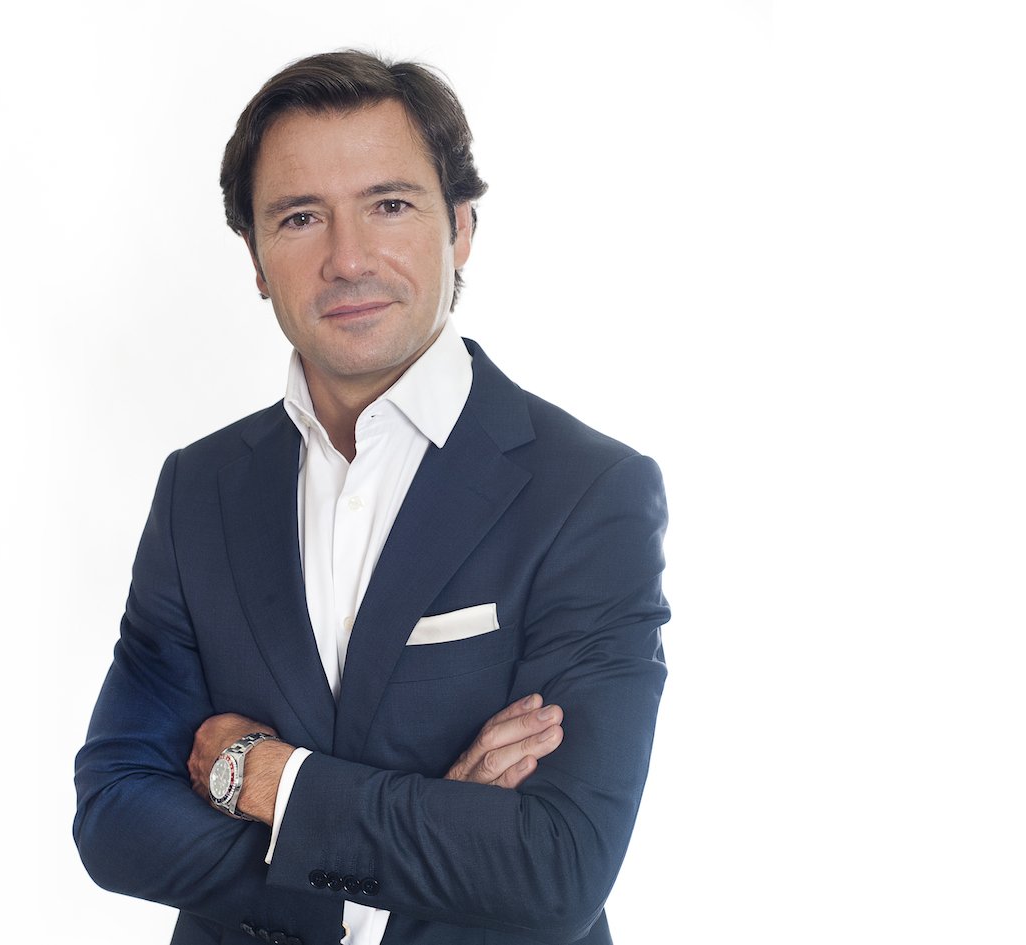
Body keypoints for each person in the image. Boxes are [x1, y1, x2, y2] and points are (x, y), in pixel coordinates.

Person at [74, 49, 669, 945]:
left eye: (389, 205)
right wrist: (404, 856)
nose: (347, 258)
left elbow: (556, 864)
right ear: (256, 259)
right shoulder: (199, 489)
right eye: (300, 217)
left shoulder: (589, 493)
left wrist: (267, 778)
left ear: (460, 227)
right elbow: (116, 817)